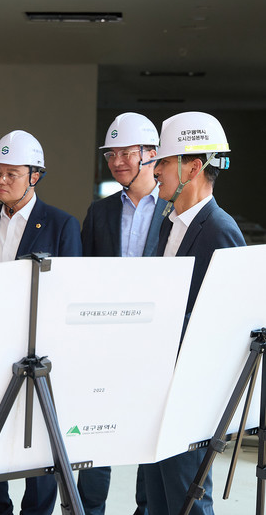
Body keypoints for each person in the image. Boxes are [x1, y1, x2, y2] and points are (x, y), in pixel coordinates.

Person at [0, 130, 82, 515]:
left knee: (39, 440)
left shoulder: (61, 224)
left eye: (11, 174)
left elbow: (68, 293)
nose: (1, 180)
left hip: (40, 348)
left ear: (35, 176)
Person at [143, 111, 245, 515]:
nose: (156, 171)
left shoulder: (220, 230)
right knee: (157, 501)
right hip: (159, 386)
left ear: (193, 167)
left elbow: (230, 324)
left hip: (191, 395)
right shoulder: (168, 224)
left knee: (188, 502)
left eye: (164, 162)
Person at [79, 112, 167, 515]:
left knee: (150, 433)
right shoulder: (99, 212)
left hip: (155, 341)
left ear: (151, 154)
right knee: (95, 432)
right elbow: (84, 274)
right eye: (111, 154)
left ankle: (146, 509)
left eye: (126, 153)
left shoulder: (172, 210)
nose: (117, 162)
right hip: (105, 343)